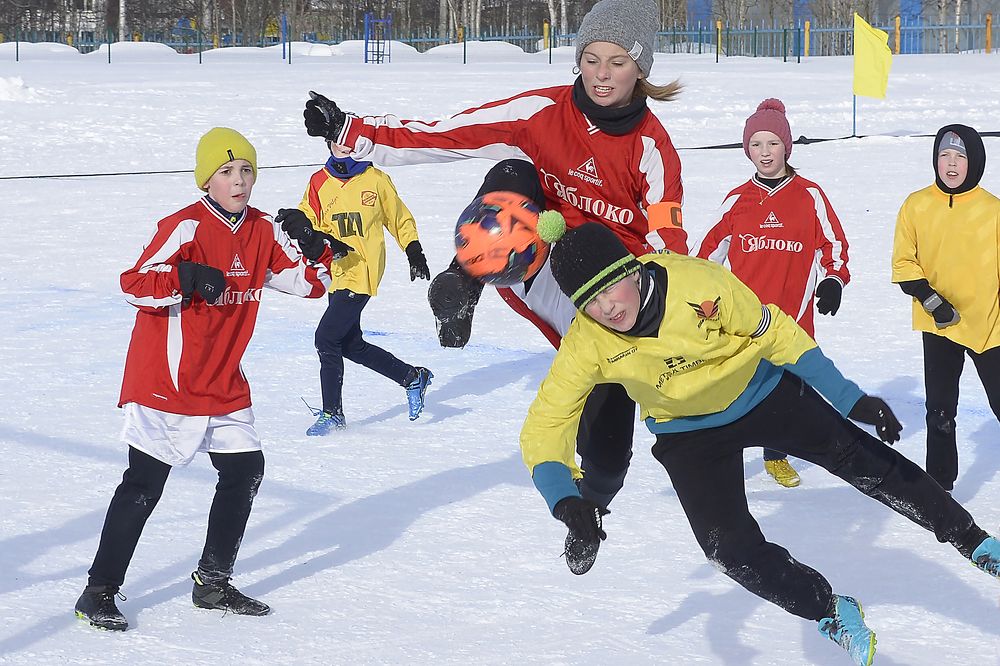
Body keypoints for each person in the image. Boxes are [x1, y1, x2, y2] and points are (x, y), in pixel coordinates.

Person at [301, 0, 687, 572]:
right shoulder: (544, 110)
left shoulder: (652, 148)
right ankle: (467, 280)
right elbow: (453, 134)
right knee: (511, 171)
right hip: (532, 258)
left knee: (607, 460)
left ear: (642, 70)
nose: (601, 74)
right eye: (590, 58)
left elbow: (669, 245)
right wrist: (355, 134)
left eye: (618, 61)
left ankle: (588, 515)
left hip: (605, 299)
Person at [522, 219, 1000, 666]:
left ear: (631, 270)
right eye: (590, 303)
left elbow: (776, 334)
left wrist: (848, 398)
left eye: (609, 288)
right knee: (727, 549)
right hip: (685, 432)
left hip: (759, 390)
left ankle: (973, 541)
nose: (607, 308)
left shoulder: (697, 282)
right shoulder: (588, 340)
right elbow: (547, 422)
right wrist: (564, 500)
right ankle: (830, 610)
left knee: (861, 460)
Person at [74, 127, 346, 631]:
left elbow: (311, 286)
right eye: (227, 171)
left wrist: (315, 245)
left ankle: (212, 582)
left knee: (245, 471)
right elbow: (133, 284)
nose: (239, 180)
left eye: (246, 170)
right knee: (144, 485)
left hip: (223, 382)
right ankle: (98, 591)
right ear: (207, 179)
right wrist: (186, 277)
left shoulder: (264, 230)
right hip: (167, 382)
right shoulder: (185, 227)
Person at [696, 98, 851, 488]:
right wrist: (701, 298)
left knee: (788, 390)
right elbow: (708, 256)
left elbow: (832, 245)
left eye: (772, 144)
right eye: (756, 145)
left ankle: (776, 454)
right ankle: (720, 455)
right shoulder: (737, 200)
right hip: (745, 319)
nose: (764, 153)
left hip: (793, 318)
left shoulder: (809, 195)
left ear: (787, 147)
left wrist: (833, 280)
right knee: (737, 387)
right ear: (747, 150)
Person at [275, 141, 433, 435]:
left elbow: (399, 219)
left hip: (363, 270)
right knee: (350, 345)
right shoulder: (319, 181)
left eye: (349, 142)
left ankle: (332, 414)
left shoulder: (376, 180)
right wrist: (300, 224)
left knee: (325, 338)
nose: (344, 147)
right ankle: (412, 377)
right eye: (338, 142)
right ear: (329, 145)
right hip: (337, 271)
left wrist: (413, 251)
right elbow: (307, 217)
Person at [891, 124, 1000, 492]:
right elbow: (904, 262)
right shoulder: (916, 205)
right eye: (944, 155)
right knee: (939, 412)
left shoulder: (993, 210)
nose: (951, 164)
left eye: (960, 156)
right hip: (939, 324)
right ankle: (939, 488)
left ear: (975, 162)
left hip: (989, 326)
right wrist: (932, 301)